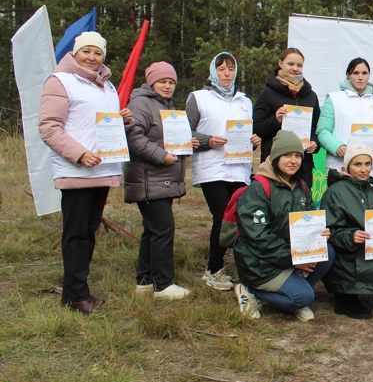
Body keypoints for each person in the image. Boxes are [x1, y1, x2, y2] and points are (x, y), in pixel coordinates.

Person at [39, 31, 133, 314]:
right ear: (75, 53)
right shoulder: (61, 81)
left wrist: (123, 122)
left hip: (102, 169)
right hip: (77, 169)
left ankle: (76, 291)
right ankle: (76, 294)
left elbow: (100, 126)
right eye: (86, 51)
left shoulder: (107, 86)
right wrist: (79, 153)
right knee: (76, 232)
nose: (92, 58)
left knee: (89, 231)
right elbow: (49, 127)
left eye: (98, 53)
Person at [233, 131, 335, 320]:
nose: (293, 161)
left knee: (327, 251)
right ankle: (249, 290)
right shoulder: (258, 189)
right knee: (303, 297)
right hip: (260, 262)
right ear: (275, 157)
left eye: (297, 156)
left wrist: (319, 233)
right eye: (287, 155)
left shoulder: (302, 186)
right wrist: (294, 259)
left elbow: (309, 219)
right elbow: (258, 238)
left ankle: (292, 288)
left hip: (288, 256)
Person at [187, 52, 260, 291]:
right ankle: (214, 269)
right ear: (213, 72)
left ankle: (242, 267)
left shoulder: (244, 101)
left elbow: (246, 132)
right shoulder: (198, 98)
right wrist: (208, 140)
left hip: (238, 168)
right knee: (221, 217)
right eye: (221, 69)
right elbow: (184, 133)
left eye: (231, 69)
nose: (227, 73)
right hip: (212, 168)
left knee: (239, 217)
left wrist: (253, 140)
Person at [124, 62, 196, 300]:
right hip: (148, 179)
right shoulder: (141, 103)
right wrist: (161, 156)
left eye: (171, 82)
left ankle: (144, 281)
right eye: (162, 81)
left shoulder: (166, 105)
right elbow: (134, 138)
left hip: (159, 180)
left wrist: (189, 142)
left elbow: (166, 137)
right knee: (163, 229)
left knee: (152, 230)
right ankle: (163, 285)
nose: (167, 85)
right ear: (151, 82)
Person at [321, 143, 373, 319]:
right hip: (348, 249)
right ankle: (344, 297)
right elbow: (329, 231)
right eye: (357, 164)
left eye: (368, 164)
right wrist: (350, 236)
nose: (364, 169)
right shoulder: (335, 192)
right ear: (347, 166)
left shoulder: (372, 188)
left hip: (370, 245)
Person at [253, 48, 320, 188]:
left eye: (299, 65)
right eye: (290, 64)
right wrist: (275, 120)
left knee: (301, 205)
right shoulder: (268, 93)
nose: (295, 68)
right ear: (280, 63)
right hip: (274, 162)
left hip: (303, 163)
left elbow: (316, 128)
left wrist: (314, 142)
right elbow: (257, 127)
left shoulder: (311, 96)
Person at [316, 57, 373, 178]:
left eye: (364, 73)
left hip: (368, 169)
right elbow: (322, 131)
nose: (360, 77)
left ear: (369, 75)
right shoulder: (334, 99)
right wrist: (337, 147)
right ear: (348, 75)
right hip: (340, 166)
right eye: (356, 73)